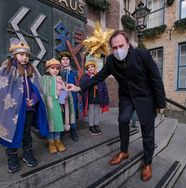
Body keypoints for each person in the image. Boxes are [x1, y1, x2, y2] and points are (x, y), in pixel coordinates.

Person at [67, 30, 166, 181]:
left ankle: (147, 162)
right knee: (123, 120)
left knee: (147, 130)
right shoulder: (111, 61)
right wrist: (79, 88)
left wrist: (160, 103)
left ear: (128, 44)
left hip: (145, 97)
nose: (118, 50)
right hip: (126, 97)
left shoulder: (143, 55)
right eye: (114, 47)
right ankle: (124, 151)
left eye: (121, 45)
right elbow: (99, 77)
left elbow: (156, 79)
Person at [0, 38, 49, 173]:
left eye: (26, 55)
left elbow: (37, 88)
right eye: (21, 55)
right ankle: (12, 156)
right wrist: (17, 100)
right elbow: (4, 90)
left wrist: (34, 100)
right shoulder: (7, 68)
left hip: (29, 109)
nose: (24, 58)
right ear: (14, 55)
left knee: (26, 132)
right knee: (13, 132)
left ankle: (27, 153)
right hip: (13, 110)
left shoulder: (32, 70)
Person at [40, 58, 75, 154]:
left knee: (58, 121)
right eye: (52, 68)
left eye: (57, 68)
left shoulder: (61, 80)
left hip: (59, 105)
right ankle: (51, 141)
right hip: (49, 105)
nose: (55, 70)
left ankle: (58, 140)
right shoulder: (44, 79)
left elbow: (65, 91)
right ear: (48, 69)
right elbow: (43, 92)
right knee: (50, 122)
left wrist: (64, 95)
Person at [80, 60, 109, 135]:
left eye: (92, 67)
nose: (90, 68)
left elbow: (103, 86)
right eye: (88, 67)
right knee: (91, 112)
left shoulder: (98, 75)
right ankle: (91, 126)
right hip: (90, 97)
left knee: (97, 112)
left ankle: (96, 125)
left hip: (98, 97)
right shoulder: (86, 76)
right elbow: (83, 85)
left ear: (94, 67)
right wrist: (90, 81)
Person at [58, 52, 80, 141]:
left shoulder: (74, 72)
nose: (65, 61)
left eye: (67, 59)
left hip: (72, 95)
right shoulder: (58, 71)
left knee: (72, 112)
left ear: (70, 61)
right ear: (60, 61)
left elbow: (77, 83)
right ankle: (62, 130)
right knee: (62, 111)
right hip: (62, 94)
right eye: (63, 59)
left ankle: (73, 131)